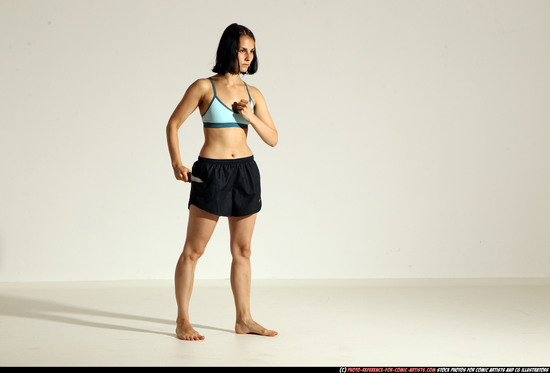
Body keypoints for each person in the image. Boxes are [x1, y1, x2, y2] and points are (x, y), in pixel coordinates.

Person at [166, 23, 278, 341]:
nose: (248, 56)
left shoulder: (253, 94)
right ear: (229, 49)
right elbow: (173, 124)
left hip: (245, 171)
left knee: (243, 250)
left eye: (252, 50)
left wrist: (250, 115)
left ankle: (244, 319)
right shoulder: (204, 87)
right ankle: (182, 320)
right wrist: (177, 162)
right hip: (211, 172)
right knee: (194, 250)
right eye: (243, 49)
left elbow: (273, 139)